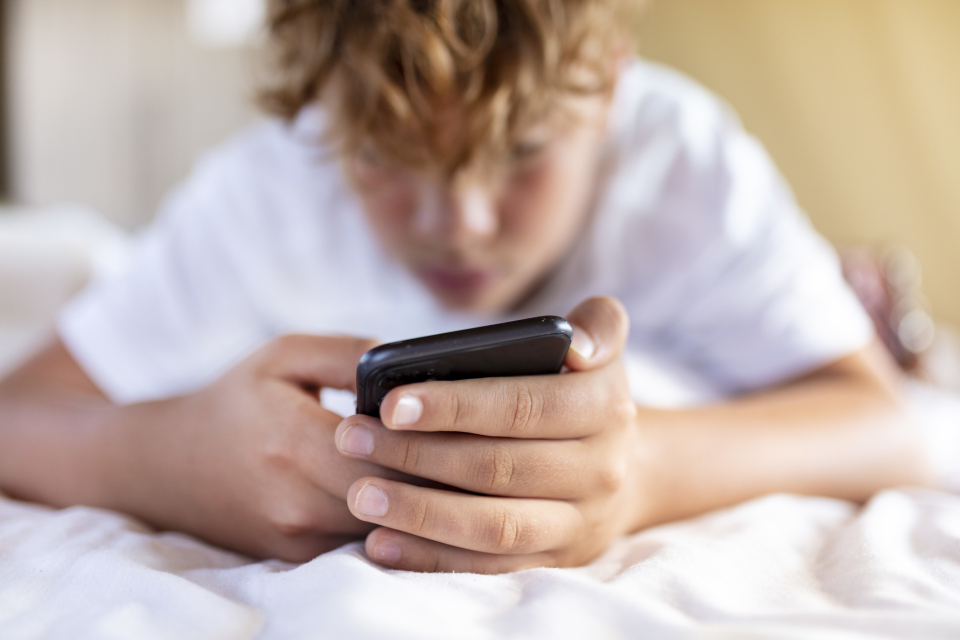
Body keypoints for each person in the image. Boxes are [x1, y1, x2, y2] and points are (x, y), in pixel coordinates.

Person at [0, 0, 929, 574]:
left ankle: (857, 285)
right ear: (327, 101)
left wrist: (642, 473)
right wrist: (164, 460)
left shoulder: (681, 162)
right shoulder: (268, 187)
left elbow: (889, 425)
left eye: (522, 153)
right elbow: (19, 413)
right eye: (389, 156)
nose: (460, 223)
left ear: (608, 85)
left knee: (868, 321)